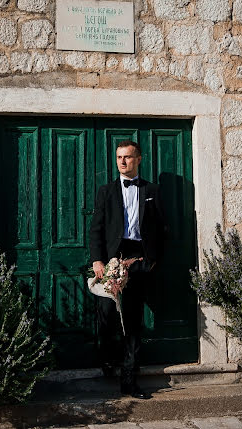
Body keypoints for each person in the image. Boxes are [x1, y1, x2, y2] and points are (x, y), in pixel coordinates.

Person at [89, 140, 166, 399]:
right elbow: (96, 228)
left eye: (128, 157)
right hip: (112, 258)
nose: (123, 161)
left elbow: (162, 228)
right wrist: (98, 260)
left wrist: (153, 259)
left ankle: (130, 380)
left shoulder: (152, 189)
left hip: (140, 260)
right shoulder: (106, 191)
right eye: (119, 157)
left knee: (133, 321)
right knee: (107, 313)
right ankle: (108, 359)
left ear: (139, 159)